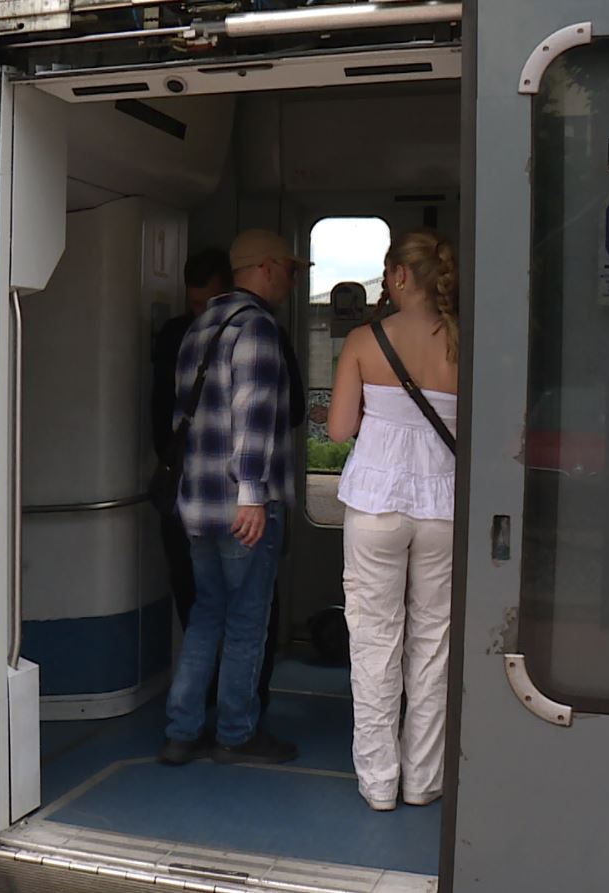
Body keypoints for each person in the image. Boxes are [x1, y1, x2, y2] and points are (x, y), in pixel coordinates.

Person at [158, 228, 305, 767]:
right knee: (247, 621)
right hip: (245, 509)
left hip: (196, 505)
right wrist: (251, 495)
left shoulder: (199, 329)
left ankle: (181, 730)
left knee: (206, 614)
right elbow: (257, 419)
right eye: (290, 269)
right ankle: (237, 733)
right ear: (265, 267)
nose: (292, 280)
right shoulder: (259, 329)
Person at [326, 229, 458, 812]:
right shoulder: (462, 340)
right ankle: (425, 780)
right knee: (432, 644)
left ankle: (379, 783)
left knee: (375, 642)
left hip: (376, 503)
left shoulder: (363, 339)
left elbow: (335, 430)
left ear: (400, 276)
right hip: (443, 506)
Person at [152, 248, 234, 632]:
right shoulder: (254, 330)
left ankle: (197, 691)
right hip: (224, 492)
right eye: (196, 303)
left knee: (200, 604)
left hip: (184, 483)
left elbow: (158, 412)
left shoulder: (175, 336)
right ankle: (226, 691)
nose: (203, 313)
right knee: (241, 610)